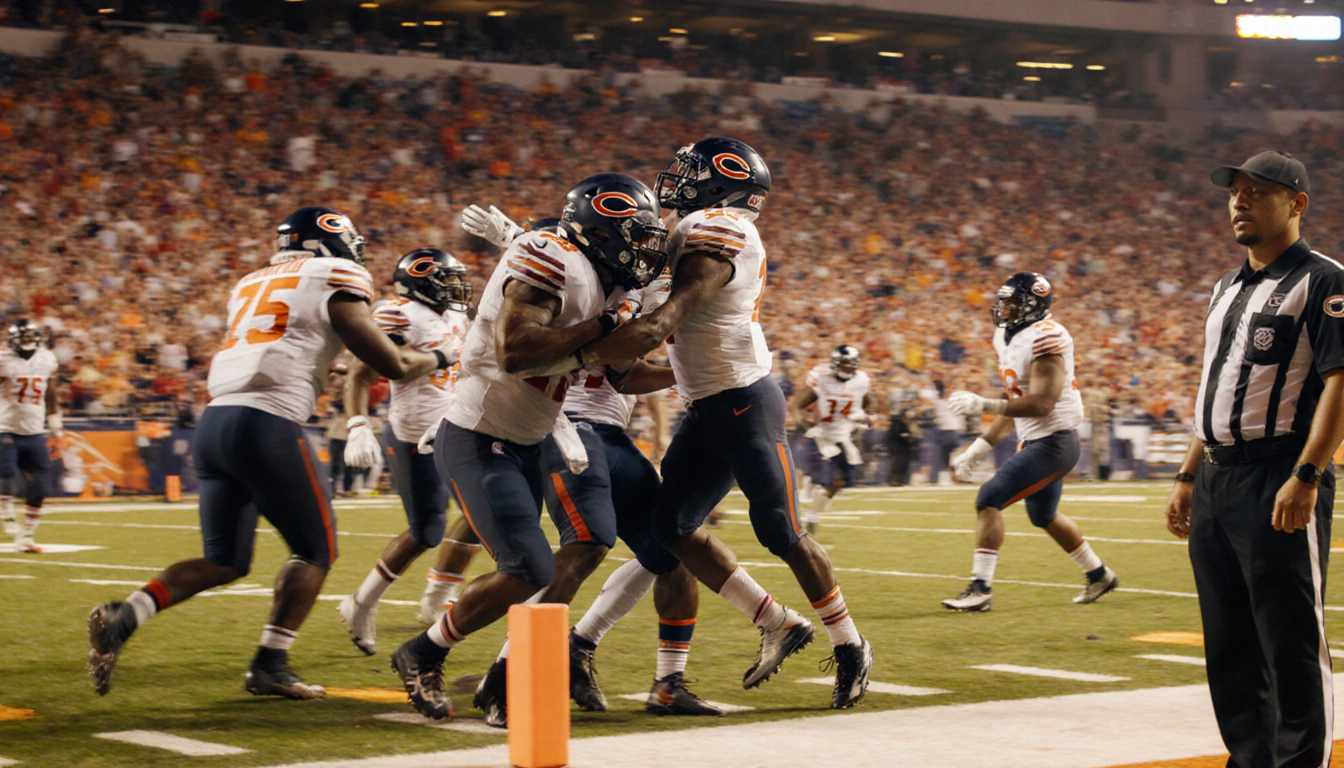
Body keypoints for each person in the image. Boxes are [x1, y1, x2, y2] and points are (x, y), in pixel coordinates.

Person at [86, 206, 454, 699]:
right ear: (328, 241)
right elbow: (389, 362)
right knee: (316, 551)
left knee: (224, 560)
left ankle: (127, 612)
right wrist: (444, 356)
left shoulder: (250, 280)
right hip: (267, 422)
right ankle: (270, 662)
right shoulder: (335, 273)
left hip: (215, 421)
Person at [572, 137, 872, 709]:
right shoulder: (693, 226)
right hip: (706, 404)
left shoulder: (722, 226)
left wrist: (581, 348)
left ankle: (850, 644)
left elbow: (666, 316)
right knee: (672, 527)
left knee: (781, 531)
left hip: (744, 401)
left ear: (720, 182)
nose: (674, 179)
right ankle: (774, 623)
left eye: (690, 171)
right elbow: (625, 276)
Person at [387, 174, 666, 720]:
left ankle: (484, 670)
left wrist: (688, 371)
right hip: (479, 434)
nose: (642, 250)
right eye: (634, 234)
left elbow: (622, 372)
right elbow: (515, 350)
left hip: (532, 437)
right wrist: (604, 327)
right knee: (528, 567)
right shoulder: (550, 253)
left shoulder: (597, 277)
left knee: (576, 547)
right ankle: (424, 651)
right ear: (602, 227)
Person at [1166, 150, 1344, 768]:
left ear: (1296, 204)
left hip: (1279, 475)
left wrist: (1307, 473)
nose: (1240, 201)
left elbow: (1342, 384)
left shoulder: (1324, 280)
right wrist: (1190, 473)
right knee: (1231, 647)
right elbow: (1213, 385)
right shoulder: (1225, 286)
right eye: (1235, 191)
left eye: (1258, 191)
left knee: (1291, 642)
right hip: (1217, 479)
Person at [942, 272, 1119, 612]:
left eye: (1013, 304)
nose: (1004, 310)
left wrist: (983, 404)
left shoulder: (1048, 337)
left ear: (1034, 306)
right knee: (1044, 515)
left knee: (988, 498)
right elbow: (1014, 402)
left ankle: (981, 589)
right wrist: (976, 450)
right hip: (1037, 440)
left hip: (1055, 441)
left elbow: (1040, 404)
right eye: (1003, 302)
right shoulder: (1006, 337)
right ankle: (1099, 574)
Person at [336, 247, 480, 655]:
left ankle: (436, 597)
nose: (455, 288)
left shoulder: (455, 316)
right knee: (426, 532)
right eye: (446, 280)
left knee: (482, 511)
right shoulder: (398, 313)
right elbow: (364, 372)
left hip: (456, 429)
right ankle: (361, 602)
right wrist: (358, 424)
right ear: (421, 282)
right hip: (413, 434)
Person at [791, 344, 877, 533]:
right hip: (822, 435)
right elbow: (798, 405)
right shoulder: (822, 378)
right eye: (845, 365)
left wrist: (869, 415)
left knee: (841, 482)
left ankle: (812, 506)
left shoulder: (861, 381)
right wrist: (807, 426)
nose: (849, 369)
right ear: (836, 364)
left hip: (844, 436)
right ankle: (808, 499)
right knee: (827, 480)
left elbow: (869, 401)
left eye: (851, 365)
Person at [0, 318, 63, 552]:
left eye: (30, 337)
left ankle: (26, 536)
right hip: (5, 428)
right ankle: (6, 514)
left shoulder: (46, 359)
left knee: (41, 487)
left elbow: (51, 395)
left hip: (35, 431)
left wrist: (56, 428)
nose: (28, 342)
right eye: (23, 338)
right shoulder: (3, 360)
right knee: (6, 475)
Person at [885, 406, 921, 486]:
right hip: (898, 449)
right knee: (897, 465)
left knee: (903, 465)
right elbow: (896, 437)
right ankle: (894, 480)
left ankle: (901, 480)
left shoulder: (904, 425)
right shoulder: (896, 425)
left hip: (904, 449)